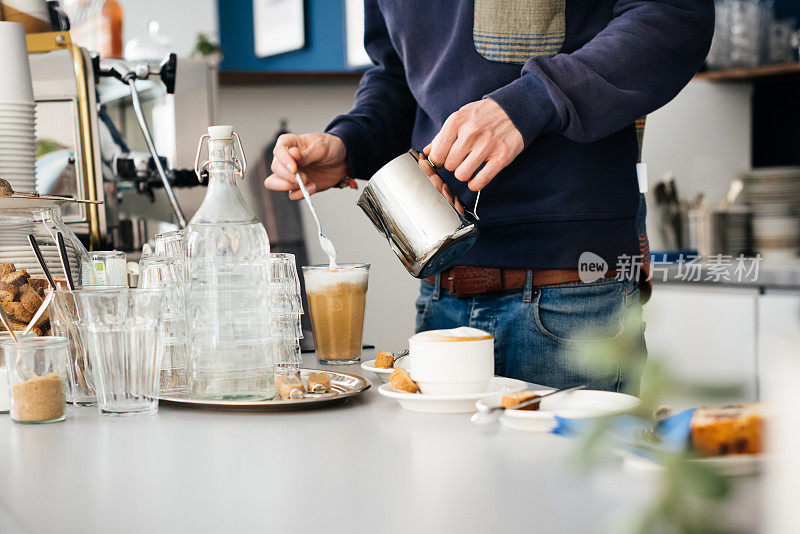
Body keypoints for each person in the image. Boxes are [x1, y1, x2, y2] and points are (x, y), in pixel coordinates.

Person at [265, 0, 715, 393]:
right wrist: (350, 144)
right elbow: (399, 77)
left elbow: (673, 14)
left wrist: (531, 102)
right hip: (441, 295)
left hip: (572, 297)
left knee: (575, 492)